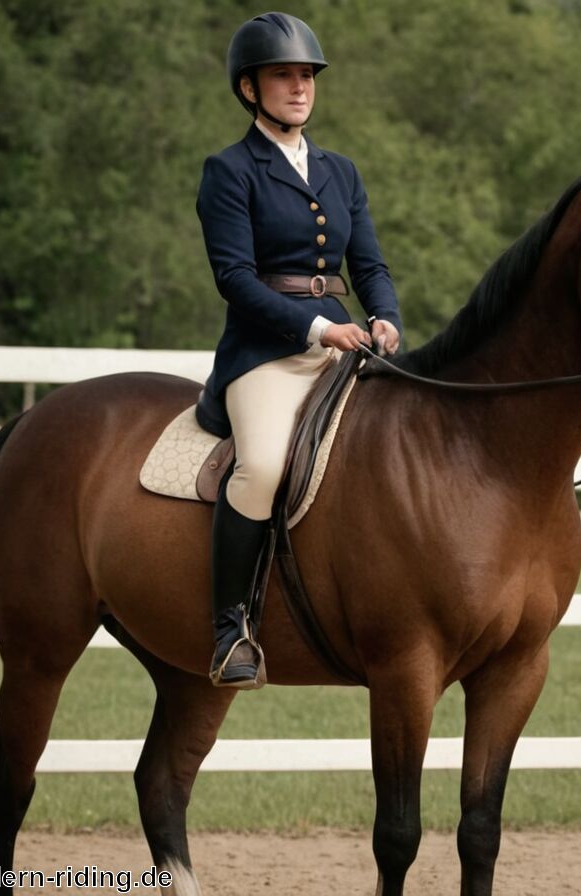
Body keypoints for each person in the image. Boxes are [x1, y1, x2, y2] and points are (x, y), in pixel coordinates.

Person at [195, 11, 403, 689]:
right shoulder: (230, 171)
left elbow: (368, 265)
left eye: (307, 76)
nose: (299, 87)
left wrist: (386, 317)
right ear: (249, 88)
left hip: (346, 344)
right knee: (260, 466)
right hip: (264, 356)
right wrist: (318, 329)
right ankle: (231, 628)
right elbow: (234, 280)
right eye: (283, 76)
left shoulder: (341, 172)